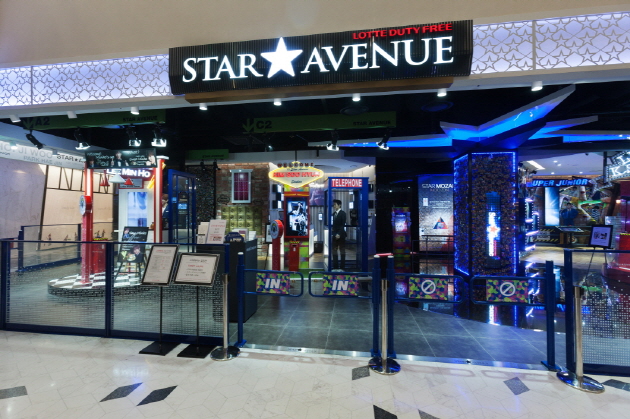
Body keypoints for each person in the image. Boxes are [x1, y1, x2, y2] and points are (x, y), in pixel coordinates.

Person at [331, 199, 347, 271]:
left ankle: (342, 267)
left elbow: (342, 225)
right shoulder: (334, 213)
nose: (334, 206)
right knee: (334, 250)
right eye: (333, 205)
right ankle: (335, 267)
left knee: (342, 251)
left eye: (335, 204)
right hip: (335, 235)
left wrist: (339, 234)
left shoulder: (343, 213)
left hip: (341, 235)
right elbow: (334, 226)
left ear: (339, 205)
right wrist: (334, 234)